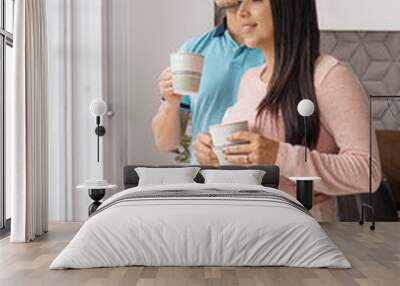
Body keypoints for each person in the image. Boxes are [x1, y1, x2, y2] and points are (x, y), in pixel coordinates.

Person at [204, 0, 381, 221]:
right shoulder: (249, 79)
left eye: (256, 0)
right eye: (240, 2)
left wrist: (278, 155)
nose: (241, 11)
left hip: (299, 239)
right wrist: (214, 156)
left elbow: (367, 172)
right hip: (242, 230)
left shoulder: (328, 75)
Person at [152, 0, 265, 164]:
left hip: (262, 180)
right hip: (206, 182)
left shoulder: (279, 51)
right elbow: (166, 143)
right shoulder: (194, 50)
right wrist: (171, 103)